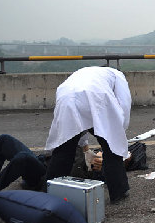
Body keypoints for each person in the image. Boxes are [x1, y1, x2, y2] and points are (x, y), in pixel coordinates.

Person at [44, 66, 132, 203]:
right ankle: (118, 191)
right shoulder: (117, 75)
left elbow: (78, 124)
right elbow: (124, 103)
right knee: (111, 148)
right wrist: (120, 131)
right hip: (95, 96)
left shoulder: (85, 72)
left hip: (66, 96)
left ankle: (51, 190)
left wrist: (84, 147)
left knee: (64, 149)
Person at [0, 134, 100, 191]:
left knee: (23, 158)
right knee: (4, 140)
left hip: (45, 177)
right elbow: (84, 144)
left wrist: (95, 163)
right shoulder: (77, 132)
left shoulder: (98, 164)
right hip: (42, 162)